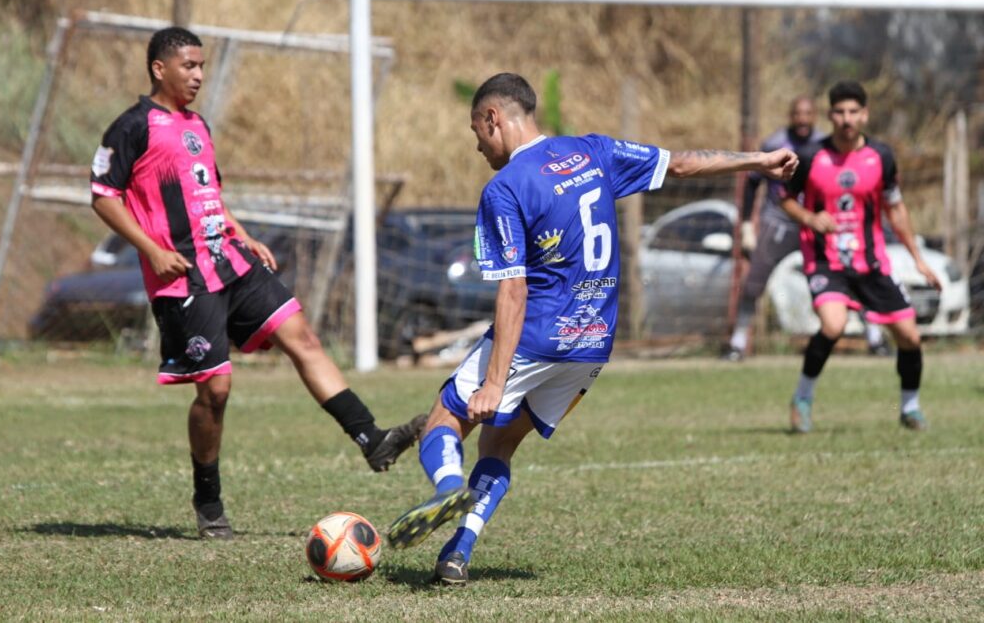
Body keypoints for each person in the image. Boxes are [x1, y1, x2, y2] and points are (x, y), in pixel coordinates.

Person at [385, 72, 798, 585]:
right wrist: (757, 161)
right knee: (498, 447)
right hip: (593, 343)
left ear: (494, 118)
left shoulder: (505, 188)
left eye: (477, 132)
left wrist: (494, 381)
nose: (477, 147)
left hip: (537, 333)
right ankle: (457, 551)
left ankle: (448, 487)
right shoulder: (592, 152)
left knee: (445, 417)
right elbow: (684, 163)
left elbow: (513, 290)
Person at [89, 27, 425, 539]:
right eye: (189, 66)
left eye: (202, 66)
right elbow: (103, 197)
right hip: (184, 279)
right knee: (216, 392)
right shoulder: (132, 126)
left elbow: (209, 196)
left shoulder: (197, 124)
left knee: (302, 338)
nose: (198, 75)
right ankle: (208, 499)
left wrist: (242, 234)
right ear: (160, 68)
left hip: (230, 260)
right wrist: (153, 250)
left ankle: (371, 438)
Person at [780, 80, 941, 434]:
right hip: (826, 261)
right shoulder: (810, 157)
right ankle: (802, 398)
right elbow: (785, 198)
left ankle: (910, 407)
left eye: (854, 112)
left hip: (871, 263)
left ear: (865, 115)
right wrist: (809, 218)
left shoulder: (881, 157)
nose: (846, 119)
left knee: (910, 338)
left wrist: (918, 258)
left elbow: (896, 210)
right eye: (839, 112)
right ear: (830, 115)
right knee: (833, 325)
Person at [723, 96, 890, 361]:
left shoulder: (824, 146)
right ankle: (737, 342)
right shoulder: (774, 144)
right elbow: (752, 183)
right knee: (754, 281)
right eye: (797, 114)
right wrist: (746, 226)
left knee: (853, 274)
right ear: (790, 115)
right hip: (779, 222)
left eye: (807, 114)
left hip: (818, 223)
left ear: (816, 116)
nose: (802, 119)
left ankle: (875, 338)